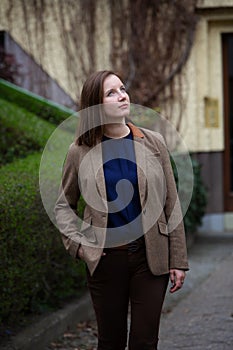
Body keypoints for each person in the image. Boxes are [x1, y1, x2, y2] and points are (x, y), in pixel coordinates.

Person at [55, 70, 189, 350]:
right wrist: (79, 247)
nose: (122, 95)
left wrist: (178, 259)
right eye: (111, 93)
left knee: (145, 341)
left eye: (122, 89)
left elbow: (171, 203)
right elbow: (63, 205)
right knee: (110, 341)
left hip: (151, 258)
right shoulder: (79, 151)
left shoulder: (153, 143)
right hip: (105, 260)